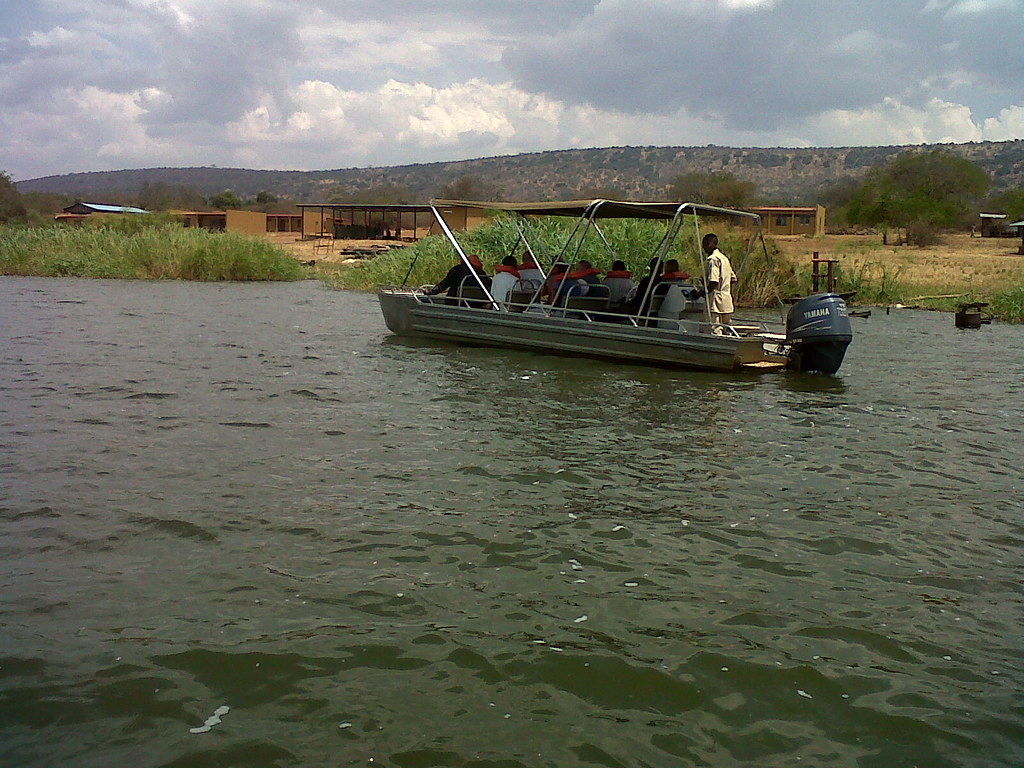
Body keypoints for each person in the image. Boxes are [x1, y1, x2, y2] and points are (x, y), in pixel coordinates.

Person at [702, 233, 735, 331]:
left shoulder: (713, 260)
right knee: (728, 329)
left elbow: (714, 282)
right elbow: (733, 279)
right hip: (727, 300)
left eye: (704, 245)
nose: (703, 248)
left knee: (715, 329)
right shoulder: (724, 259)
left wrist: (702, 292)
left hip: (716, 302)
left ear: (710, 244)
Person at [426, 253, 491, 299]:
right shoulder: (482, 274)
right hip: (477, 304)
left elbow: (444, 284)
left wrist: (432, 292)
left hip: (454, 302)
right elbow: (490, 286)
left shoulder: (457, 270)